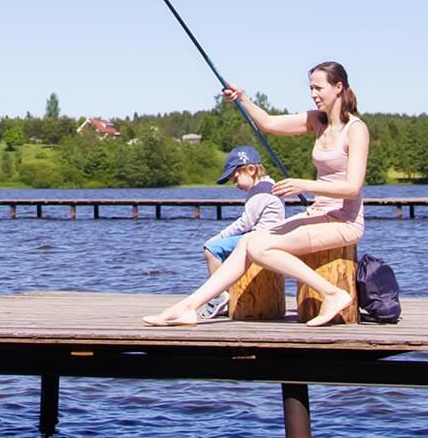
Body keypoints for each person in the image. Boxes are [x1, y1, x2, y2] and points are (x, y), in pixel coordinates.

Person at [142, 61, 368, 328]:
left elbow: (352, 187)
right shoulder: (318, 122)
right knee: (247, 242)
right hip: (318, 214)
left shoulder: (356, 129)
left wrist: (305, 185)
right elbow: (268, 124)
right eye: (310, 88)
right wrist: (242, 98)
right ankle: (189, 307)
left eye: (318, 88)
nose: (313, 94)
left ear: (338, 87)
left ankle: (332, 293)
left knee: (259, 246)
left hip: (345, 221)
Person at [195, 146, 286, 319]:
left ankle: (218, 295)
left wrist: (219, 237)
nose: (235, 184)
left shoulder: (259, 194)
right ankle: (225, 293)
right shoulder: (270, 185)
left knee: (211, 249)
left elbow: (244, 223)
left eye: (236, 178)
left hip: (258, 237)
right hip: (267, 236)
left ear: (251, 170)